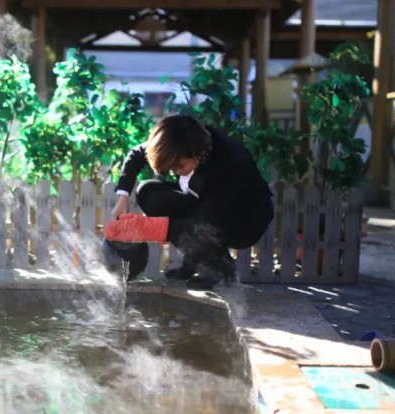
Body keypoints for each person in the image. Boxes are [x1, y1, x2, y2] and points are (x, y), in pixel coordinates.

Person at [104, 114, 274, 289]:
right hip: (205, 200)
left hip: (243, 220)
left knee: (192, 229)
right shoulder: (180, 141)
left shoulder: (230, 164)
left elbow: (206, 224)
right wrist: (123, 196)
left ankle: (214, 267)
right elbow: (136, 154)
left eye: (180, 167)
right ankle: (198, 259)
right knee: (149, 193)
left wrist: (146, 228)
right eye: (171, 168)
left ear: (199, 154)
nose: (176, 172)